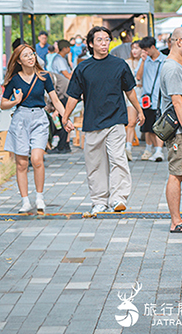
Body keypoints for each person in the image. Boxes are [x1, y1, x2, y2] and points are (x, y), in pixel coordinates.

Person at [63, 26, 144, 215]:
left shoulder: (119, 65)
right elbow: (74, 96)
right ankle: (99, 200)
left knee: (118, 158)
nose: (104, 43)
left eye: (107, 39)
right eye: (99, 40)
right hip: (92, 122)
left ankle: (118, 198)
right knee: (95, 163)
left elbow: (130, 90)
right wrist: (65, 116)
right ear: (91, 44)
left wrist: (139, 110)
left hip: (116, 119)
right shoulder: (83, 68)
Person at [1, 44, 67, 213]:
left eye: (32, 54)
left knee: (37, 159)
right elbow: (3, 104)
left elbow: (56, 100)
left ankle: (39, 197)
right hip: (21, 119)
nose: (31, 58)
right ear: (19, 60)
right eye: (26, 55)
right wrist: (15, 101)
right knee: (22, 163)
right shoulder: (14, 79)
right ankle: (25, 201)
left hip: (39, 118)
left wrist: (65, 117)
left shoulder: (44, 77)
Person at [159, 27, 182, 233]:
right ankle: (176, 221)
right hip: (179, 132)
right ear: (179, 41)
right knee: (177, 174)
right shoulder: (172, 68)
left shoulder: (181, 65)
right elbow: (177, 102)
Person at [137, 36, 166, 161]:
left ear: (153, 47)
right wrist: (143, 61)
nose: (145, 52)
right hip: (147, 99)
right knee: (148, 127)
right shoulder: (144, 60)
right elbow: (138, 76)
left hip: (160, 99)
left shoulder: (165, 60)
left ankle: (159, 151)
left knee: (158, 127)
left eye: (146, 50)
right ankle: (149, 149)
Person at [47, 39, 73, 154]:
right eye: (69, 47)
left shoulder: (61, 59)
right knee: (63, 117)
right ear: (65, 48)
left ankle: (63, 145)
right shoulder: (59, 59)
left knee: (63, 118)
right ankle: (64, 144)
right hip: (61, 93)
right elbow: (67, 75)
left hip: (62, 93)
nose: (70, 49)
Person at [124, 41, 144, 160]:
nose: (134, 51)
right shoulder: (127, 62)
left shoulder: (147, 61)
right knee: (131, 122)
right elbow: (136, 77)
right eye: (133, 48)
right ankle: (128, 147)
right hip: (132, 92)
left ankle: (150, 148)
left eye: (137, 48)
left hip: (145, 92)